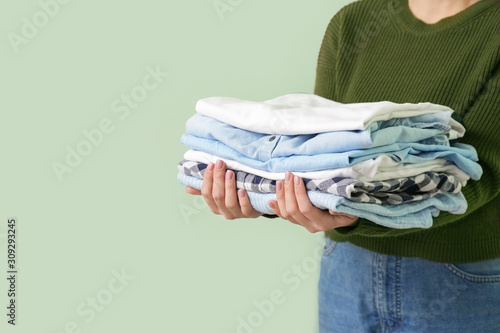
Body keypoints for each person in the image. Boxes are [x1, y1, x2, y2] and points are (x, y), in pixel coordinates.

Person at [185, 0, 500, 331]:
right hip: (346, 271)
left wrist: (353, 212)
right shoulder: (354, 22)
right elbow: (316, 159)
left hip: (462, 279)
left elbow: (481, 173)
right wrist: (262, 194)